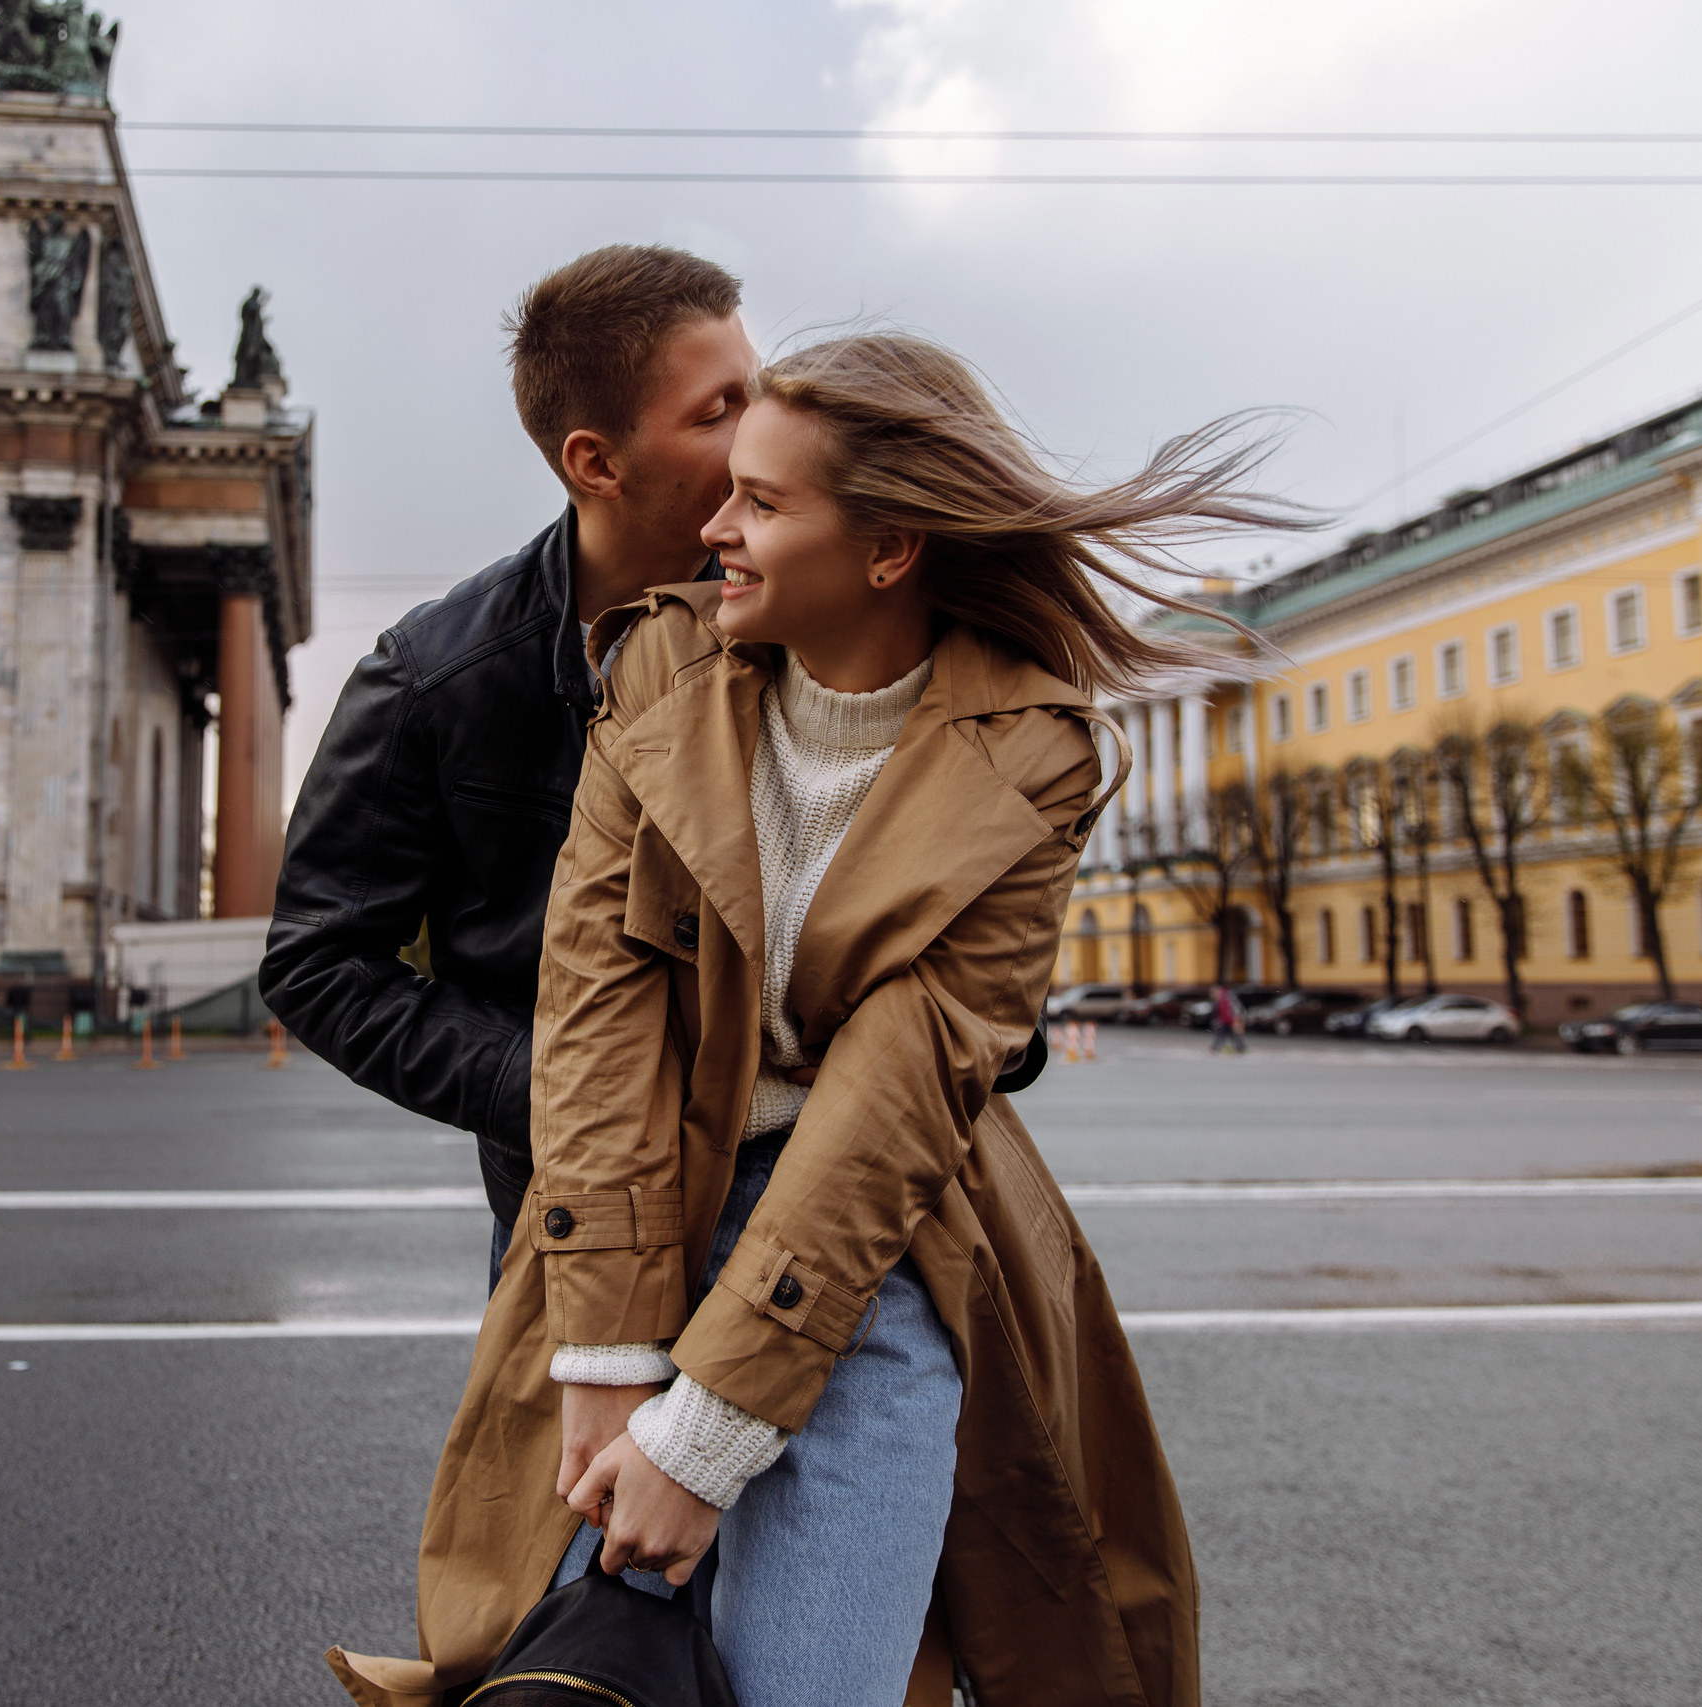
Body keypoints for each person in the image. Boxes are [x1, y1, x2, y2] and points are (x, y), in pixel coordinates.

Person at [329, 334, 1308, 1707]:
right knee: (578, 1677)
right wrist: (610, 1360)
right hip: (626, 1231)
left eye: (762, 503)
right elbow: (598, 1024)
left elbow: (892, 1102)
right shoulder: (658, 672)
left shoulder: (1032, 751)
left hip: (867, 1257)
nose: (713, 528)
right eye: (726, 487)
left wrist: (708, 1431)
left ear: (890, 546)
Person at [261, 246, 756, 1272]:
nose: (763, 437)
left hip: (818, 1194)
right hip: (577, 1213)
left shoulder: (820, 615)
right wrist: (558, 1090)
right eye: (719, 412)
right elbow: (318, 961)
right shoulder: (434, 674)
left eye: (762, 394)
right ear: (595, 463)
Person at [1211, 981, 1247, 1053]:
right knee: (1222, 1034)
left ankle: (1241, 1048)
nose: (1215, 994)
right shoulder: (1221, 999)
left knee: (1234, 1035)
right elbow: (1218, 1011)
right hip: (1224, 1021)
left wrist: (1237, 1020)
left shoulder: (1228, 998)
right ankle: (1216, 1047)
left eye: (1216, 992)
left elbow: (1237, 1009)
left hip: (1232, 1020)